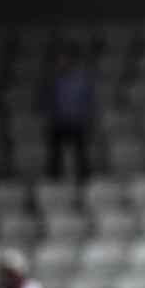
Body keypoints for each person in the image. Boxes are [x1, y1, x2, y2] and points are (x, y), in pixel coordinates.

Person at [42, 41, 95, 182]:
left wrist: (84, 114)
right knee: (55, 152)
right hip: (59, 120)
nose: (62, 60)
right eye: (60, 58)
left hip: (77, 120)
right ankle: (54, 178)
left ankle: (84, 178)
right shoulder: (53, 78)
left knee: (80, 151)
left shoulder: (82, 78)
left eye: (65, 57)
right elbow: (48, 98)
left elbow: (88, 98)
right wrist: (54, 113)